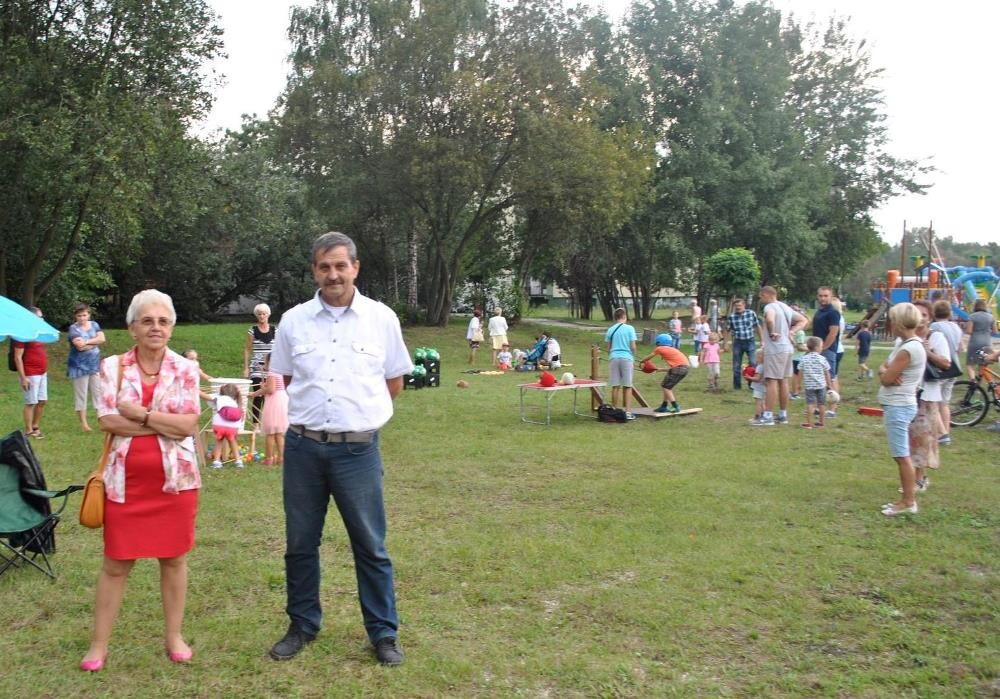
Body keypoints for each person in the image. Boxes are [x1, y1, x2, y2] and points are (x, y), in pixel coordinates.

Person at [268, 231, 413, 666]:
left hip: (358, 453)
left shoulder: (381, 319)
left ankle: (383, 633)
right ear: (315, 271)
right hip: (303, 449)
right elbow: (286, 379)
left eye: (340, 265)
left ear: (355, 267)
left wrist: (358, 417)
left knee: (370, 545)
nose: (333, 274)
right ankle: (302, 624)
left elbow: (393, 382)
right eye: (324, 267)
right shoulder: (293, 321)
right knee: (300, 542)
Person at [80, 289, 201, 671]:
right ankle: (98, 644)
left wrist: (143, 416)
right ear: (132, 327)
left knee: (174, 560)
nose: (155, 327)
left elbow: (188, 425)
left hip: (177, 484)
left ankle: (174, 636)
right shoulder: (111, 366)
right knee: (116, 564)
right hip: (124, 485)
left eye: (163, 321)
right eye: (147, 321)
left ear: (172, 328)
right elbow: (107, 420)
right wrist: (165, 424)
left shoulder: (185, 368)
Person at [877, 303, 926, 517]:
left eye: (892, 320)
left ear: (899, 323)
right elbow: (883, 367)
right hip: (898, 404)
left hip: (899, 405)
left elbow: (887, 378)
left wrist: (885, 373)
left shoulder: (909, 349)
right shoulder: (904, 344)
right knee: (900, 455)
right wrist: (884, 371)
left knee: (901, 456)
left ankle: (908, 501)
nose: (890, 323)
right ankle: (906, 499)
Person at [751, 286, 807, 426]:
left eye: (761, 296)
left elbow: (770, 320)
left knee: (771, 381)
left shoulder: (769, 307)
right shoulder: (785, 307)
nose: (761, 299)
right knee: (783, 381)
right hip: (788, 348)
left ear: (767, 295)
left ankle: (768, 416)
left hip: (775, 349)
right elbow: (803, 320)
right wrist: (792, 332)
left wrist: (771, 332)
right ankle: (783, 415)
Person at [67, 303, 106, 432]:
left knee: (98, 393)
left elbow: (102, 338)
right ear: (75, 316)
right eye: (79, 316)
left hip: (94, 365)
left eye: (84, 315)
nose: (82, 318)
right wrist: (95, 342)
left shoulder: (94, 325)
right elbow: (79, 346)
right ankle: (84, 424)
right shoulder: (73, 329)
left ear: (89, 315)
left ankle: (102, 420)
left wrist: (87, 342)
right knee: (81, 394)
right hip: (79, 366)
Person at [12, 306, 48, 439]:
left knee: (42, 400)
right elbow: (17, 357)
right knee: (31, 402)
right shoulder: (22, 334)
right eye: (40, 317)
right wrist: (23, 378)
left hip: (42, 372)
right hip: (30, 373)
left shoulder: (39, 333)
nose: (42, 319)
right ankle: (28, 431)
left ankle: (35, 426)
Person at [929, 300, 962, 445]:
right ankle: (946, 432)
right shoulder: (956, 327)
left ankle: (941, 433)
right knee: (944, 402)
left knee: (933, 400)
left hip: (941, 366)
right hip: (954, 366)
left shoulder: (935, 326)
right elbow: (959, 347)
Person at [250, 355, 289, 466]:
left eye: (265, 362)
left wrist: (259, 390)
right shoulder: (281, 372)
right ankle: (281, 458)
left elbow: (271, 389)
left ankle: (269, 458)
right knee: (279, 433)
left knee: (270, 433)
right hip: (282, 399)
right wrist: (258, 391)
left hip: (274, 401)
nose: (264, 364)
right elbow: (273, 386)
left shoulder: (272, 373)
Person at [243, 303, 276, 430]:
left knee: (269, 394)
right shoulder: (252, 330)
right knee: (258, 394)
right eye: (259, 314)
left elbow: (279, 349)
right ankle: (255, 425)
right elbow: (247, 349)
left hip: (271, 367)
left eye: (264, 314)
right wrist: (246, 368)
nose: (262, 316)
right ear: (256, 316)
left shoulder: (275, 330)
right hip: (256, 367)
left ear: (268, 315)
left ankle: (268, 422)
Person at [638, 334, 689, 413]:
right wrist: (661, 369)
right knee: (666, 386)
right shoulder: (672, 349)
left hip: (678, 369)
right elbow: (677, 367)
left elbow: (650, 357)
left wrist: (642, 361)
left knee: (666, 387)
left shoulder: (660, 348)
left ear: (659, 342)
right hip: (685, 369)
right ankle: (664, 406)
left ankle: (675, 406)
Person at [605, 308, 638, 420]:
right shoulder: (630, 328)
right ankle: (627, 412)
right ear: (624, 317)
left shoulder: (610, 330)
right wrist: (633, 356)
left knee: (615, 385)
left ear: (615, 317)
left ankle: (614, 410)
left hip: (614, 358)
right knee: (628, 386)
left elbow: (608, 348)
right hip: (627, 358)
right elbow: (633, 346)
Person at [812, 287, 841, 413]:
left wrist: (824, 347)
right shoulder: (819, 311)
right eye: (820, 296)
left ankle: (832, 409)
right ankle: (820, 407)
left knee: (830, 378)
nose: (823, 298)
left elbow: (833, 332)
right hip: (817, 350)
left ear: (831, 296)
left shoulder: (833, 312)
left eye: (825, 296)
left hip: (828, 350)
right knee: (819, 379)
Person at [725, 298, 759, 390]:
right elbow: (727, 330)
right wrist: (726, 343)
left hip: (750, 341)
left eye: (739, 305)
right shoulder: (731, 317)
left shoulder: (751, 313)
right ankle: (737, 386)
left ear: (744, 305)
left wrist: (762, 340)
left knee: (753, 362)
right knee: (736, 365)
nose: (738, 307)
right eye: (736, 306)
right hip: (738, 342)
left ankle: (752, 384)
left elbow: (757, 326)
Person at [798, 337, 832, 429]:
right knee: (821, 404)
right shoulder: (822, 359)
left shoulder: (804, 359)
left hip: (809, 386)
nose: (822, 348)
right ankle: (821, 423)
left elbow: (800, 372)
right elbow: (827, 372)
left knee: (810, 404)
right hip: (821, 385)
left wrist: (798, 384)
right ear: (817, 347)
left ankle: (809, 423)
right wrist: (829, 384)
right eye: (821, 346)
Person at [209, 383, 244, 469]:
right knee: (233, 441)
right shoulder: (236, 404)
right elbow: (241, 418)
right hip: (233, 428)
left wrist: (197, 391)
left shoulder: (219, 398)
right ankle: (238, 461)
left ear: (222, 391)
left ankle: (216, 461)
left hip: (219, 426)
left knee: (219, 441)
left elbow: (207, 397)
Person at [964, 298, 994, 380]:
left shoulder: (972, 316)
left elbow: (969, 331)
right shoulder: (991, 317)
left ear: (975, 306)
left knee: (970, 365)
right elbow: (995, 330)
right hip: (987, 343)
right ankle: (981, 382)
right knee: (982, 364)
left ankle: (973, 383)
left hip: (975, 342)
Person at [790, 320, 808, 400]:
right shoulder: (800, 332)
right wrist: (810, 349)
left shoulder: (791, 330)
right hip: (798, 357)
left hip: (793, 356)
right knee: (796, 376)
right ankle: (795, 393)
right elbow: (800, 347)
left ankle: (795, 392)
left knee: (795, 375)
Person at [747, 349, 766, 422]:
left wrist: (749, 377)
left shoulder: (759, 367)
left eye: (756, 356)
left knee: (758, 403)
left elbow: (757, 379)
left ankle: (757, 417)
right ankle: (764, 416)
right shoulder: (766, 366)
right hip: (764, 387)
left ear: (759, 357)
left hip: (758, 388)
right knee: (763, 402)